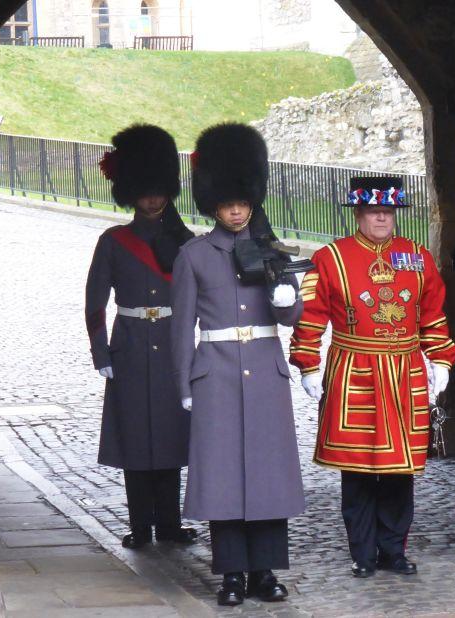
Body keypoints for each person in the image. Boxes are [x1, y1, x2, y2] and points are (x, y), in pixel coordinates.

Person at [289, 176, 455, 578]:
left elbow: (432, 314)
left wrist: (440, 360)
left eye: (388, 211)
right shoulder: (331, 258)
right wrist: (308, 363)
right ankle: (362, 553)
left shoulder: (417, 256)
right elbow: (311, 314)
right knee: (360, 468)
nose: (382, 218)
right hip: (356, 370)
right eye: (373, 211)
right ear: (359, 213)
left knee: (400, 469)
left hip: (404, 371)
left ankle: (393, 550)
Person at [170, 123, 305, 607]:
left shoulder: (270, 251)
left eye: (243, 203)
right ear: (215, 204)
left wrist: (288, 294)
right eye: (228, 203)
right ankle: (231, 572)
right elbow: (181, 325)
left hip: (265, 372)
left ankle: (265, 572)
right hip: (218, 375)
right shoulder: (194, 256)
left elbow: (290, 316)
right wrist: (184, 380)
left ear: (252, 201)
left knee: (268, 477)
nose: (236, 210)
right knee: (223, 478)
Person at [84, 124, 197, 550]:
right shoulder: (114, 241)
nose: (153, 199)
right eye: (146, 191)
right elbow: (95, 301)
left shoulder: (184, 242)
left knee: (169, 437)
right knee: (136, 440)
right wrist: (101, 352)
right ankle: (140, 525)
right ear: (132, 192)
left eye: (158, 191)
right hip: (129, 346)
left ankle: (169, 523)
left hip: (171, 345)